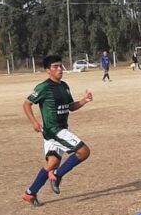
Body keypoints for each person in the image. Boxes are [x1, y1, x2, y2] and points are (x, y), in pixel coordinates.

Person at [21, 55, 93, 206]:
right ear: (48, 70)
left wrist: (84, 101)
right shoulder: (43, 87)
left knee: (52, 163)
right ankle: (57, 176)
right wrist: (34, 122)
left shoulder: (64, 86)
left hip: (60, 130)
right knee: (84, 152)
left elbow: (70, 107)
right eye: (55, 66)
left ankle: (30, 193)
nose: (60, 69)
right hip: (54, 130)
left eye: (60, 66)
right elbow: (26, 104)